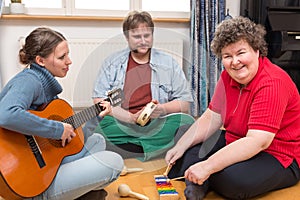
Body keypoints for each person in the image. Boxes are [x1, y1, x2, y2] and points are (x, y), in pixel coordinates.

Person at [165, 16, 300, 200]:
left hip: (277, 155)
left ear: (257, 50)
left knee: (232, 180)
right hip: (236, 140)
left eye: (240, 53)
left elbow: (257, 142)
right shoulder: (228, 77)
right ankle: (200, 179)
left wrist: (207, 165)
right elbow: (211, 118)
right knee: (184, 137)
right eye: (227, 56)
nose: (234, 62)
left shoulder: (272, 83)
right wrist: (180, 147)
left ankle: (200, 180)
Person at [0, 27, 124, 200]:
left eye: (68, 55)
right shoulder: (29, 80)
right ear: (40, 60)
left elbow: (72, 141)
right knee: (114, 162)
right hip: (30, 184)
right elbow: (6, 114)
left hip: (44, 166)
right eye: (61, 57)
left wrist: (97, 115)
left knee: (97, 141)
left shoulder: (47, 89)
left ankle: (79, 192)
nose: (69, 61)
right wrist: (57, 129)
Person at [88, 10, 195, 161]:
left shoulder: (168, 63)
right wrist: (130, 118)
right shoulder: (112, 62)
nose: (143, 41)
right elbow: (99, 100)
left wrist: (162, 109)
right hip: (122, 123)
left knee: (187, 122)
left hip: (157, 124)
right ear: (127, 37)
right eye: (137, 36)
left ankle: (126, 149)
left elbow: (185, 104)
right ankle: (152, 149)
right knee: (94, 127)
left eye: (147, 35)